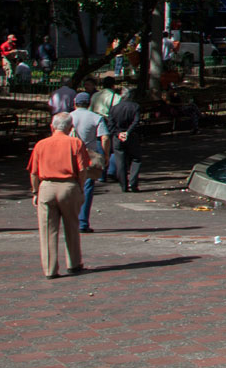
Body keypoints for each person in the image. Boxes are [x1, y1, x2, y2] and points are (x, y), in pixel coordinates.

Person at [27, 114, 91, 278]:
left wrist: (35, 192)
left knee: (48, 230)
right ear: (71, 128)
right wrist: (80, 188)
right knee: (72, 226)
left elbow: (34, 173)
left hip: (47, 187)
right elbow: (83, 169)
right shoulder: (75, 143)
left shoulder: (41, 145)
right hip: (69, 187)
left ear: (52, 127)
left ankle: (50, 269)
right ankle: (74, 263)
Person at [69, 92, 111, 233]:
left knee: (69, 187)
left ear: (75, 103)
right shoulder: (96, 118)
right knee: (87, 187)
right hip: (88, 156)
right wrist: (105, 155)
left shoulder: (68, 117)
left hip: (70, 155)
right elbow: (104, 138)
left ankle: (69, 219)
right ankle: (82, 222)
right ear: (89, 104)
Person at [107, 85, 145, 193]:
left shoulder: (114, 108)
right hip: (131, 136)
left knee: (120, 161)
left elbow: (111, 125)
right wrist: (128, 132)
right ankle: (133, 182)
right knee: (136, 159)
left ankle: (123, 185)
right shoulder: (135, 106)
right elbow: (136, 121)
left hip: (118, 137)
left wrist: (119, 134)